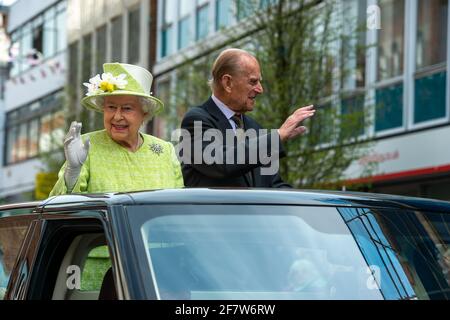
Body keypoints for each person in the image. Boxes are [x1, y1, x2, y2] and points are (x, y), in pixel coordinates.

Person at [180, 48, 315, 188]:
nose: (260, 89)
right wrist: (277, 137)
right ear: (227, 83)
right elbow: (221, 163)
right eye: (253, 82)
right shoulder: (196, 121)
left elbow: (275, 186)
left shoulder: (256, 129)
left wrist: (310, 206)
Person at [50, 63, 183, 196]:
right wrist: (72, 172)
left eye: (127, 108)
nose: (117, 116)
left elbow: (180, 204)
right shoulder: (86, 146)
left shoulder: (165, 150)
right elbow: (58, 208)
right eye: (111, 107)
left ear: (145, 113)